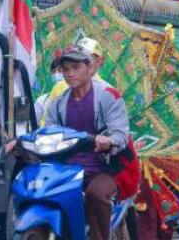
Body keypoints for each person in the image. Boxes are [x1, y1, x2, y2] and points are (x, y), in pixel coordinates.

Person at [42, 46, 129, 240]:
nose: (70, 73)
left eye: (75, 67)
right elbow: (48, 132)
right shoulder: (58, 102)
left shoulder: (109, 96)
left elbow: (121, 134)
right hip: (68, 169)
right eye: (65, 69)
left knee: (95, 194)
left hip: (104, 168)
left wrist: (109, 140)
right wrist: (21, 142)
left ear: (90, 68)